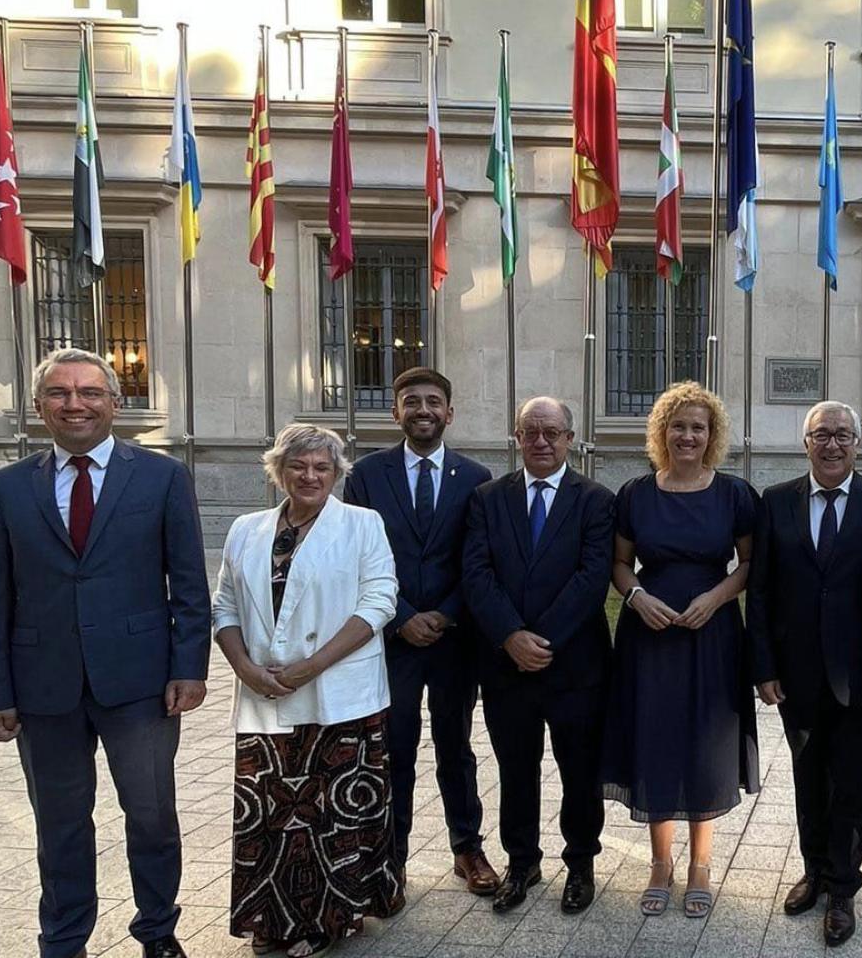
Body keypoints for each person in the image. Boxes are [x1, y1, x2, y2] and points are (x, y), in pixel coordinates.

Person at [0, 348, 210, 958]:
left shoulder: (161, 477)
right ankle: (64, 939)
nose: (74, 403)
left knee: (152, 817)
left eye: (89, 392)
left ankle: (157, 931)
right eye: (59, 393)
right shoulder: (7, 488)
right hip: (42, 687)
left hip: (140, 685)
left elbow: (188, 581)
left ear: (115, 403)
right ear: (38, 407)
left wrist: (189, 667)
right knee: (60, 824)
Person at [213, 424, 403, 958]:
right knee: (269, 811)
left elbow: (379, 602)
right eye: (299, 466)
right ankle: (269, 917)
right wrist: (244, 667)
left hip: (337, 692)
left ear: (338, 472)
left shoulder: (363, 524)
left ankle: (327, 920)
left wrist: (312, 666)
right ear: (279, 471)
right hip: (264, 690)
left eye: (322, 467)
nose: (310, 476)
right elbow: (223, 605)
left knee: (330, 813)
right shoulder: (246, 529)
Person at [603, 381, 760, 920]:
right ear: (661, 432)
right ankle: (660, 865)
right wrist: (637, 596)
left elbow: (749, 565)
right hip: (649, 636)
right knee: (656, 737)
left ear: (711, 435)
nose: (687, 435)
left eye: (698, 426)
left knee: (703, 743)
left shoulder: (735, 494)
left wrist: (715, 599)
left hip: (710, 634)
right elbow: (620, 563)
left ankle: (699, 867)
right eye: (678, 426)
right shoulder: (635, 494)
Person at [749, 400, 862, 947]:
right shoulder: (776, 502)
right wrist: (763, 666)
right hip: (796, 676)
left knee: (853, 784)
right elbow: (760, 592)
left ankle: (843, 887)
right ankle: (814, 871)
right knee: (808, 778)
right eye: (821, 435)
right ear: (805, 442)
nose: (832, 445)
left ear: (858, 444)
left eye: (842, 435)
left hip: (860, 676)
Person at [343, 368, 496, 895]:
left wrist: (445, 614)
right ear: (396, 412)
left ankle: (467, 850)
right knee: (396, 749)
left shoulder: (476, 477)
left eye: (434, 402)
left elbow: (477, 561)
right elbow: (357, 556)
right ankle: (392, 857)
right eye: (412, 401)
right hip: (392, 640)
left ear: (449, 413)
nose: (423, 410)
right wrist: (403, 615)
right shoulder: (365, 475)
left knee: (455, 746)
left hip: (454, 642)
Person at [464, 397, 615, 915]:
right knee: (516, 769)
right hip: (506, 666)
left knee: (579, 771)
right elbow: (477, 574)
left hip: (575, 665)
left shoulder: (596, 500)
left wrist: (540, 641)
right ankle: (522, 860)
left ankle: (580, 862)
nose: (542, 442)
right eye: (531, 432)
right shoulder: (487, 498)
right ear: (517, 436)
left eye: (552, 432)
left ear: (570, 438)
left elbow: (593, 578)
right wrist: (511, 637)